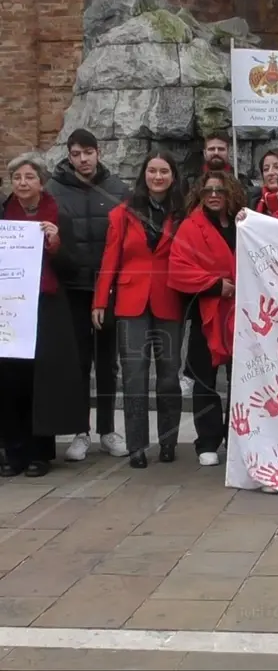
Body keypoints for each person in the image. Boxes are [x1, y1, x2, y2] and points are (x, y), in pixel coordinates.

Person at [92, 151, 185, 469]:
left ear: (173, 176)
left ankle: (169, 441)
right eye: (153, 171)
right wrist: (100, 301)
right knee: (134, 375)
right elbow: (110, 258)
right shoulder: (122, 213)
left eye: (164, 171)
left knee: (170, 376)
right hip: (131, 301)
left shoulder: (182, 212)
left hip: (169, 297)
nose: (158, 177)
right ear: (144, 174)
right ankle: (136, 446)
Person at [45, 128, 129, 462]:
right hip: (72, 288)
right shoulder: (54, 191)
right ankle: (81, 430)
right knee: (78, 363)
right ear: (69, 155)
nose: (83, 159)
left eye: (89, 152)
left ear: (98, 153)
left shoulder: (118, 189)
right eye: (77, 153)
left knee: (108, 364)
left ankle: (108, 429)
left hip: (107, 290)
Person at [0, 153, 86, 477]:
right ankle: (14, 451)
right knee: (10, 380)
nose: (23, 183)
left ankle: (40, 454)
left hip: (46, 308)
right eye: (17, 178)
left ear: (41, 181)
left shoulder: (58, 216)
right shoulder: (3, 215)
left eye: (29, 177)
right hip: (9, 309)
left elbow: (72, 266)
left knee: (42, 381)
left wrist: (55, 244)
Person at [169, 170, 242, 466]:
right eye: (208, 190)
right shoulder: (190, 227)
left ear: (230, 194)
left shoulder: (243, 224)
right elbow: (178, 268)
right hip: (207, 310)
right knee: (205, 379)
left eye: (220, 191)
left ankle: (238, 437)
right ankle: (207, 441)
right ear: (200, 194)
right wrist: (215, 285)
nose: (214, 195)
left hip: (242, 310)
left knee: (241, 378)